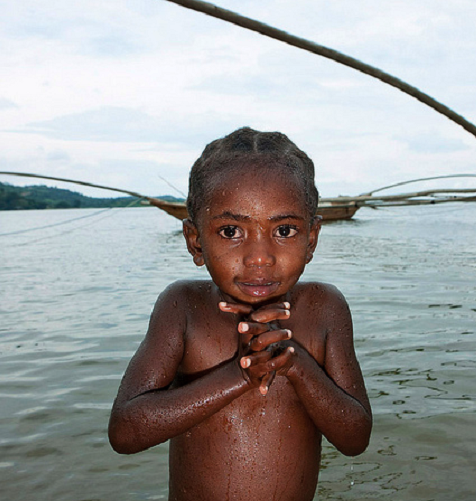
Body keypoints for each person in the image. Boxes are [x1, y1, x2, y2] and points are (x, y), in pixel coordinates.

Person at [108, 127, 372, 501]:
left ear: (311, 240)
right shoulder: (183, 307)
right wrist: (240, 374)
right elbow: (125, 432)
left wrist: (296, 366)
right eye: (231, 231)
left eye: (284, 230)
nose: (260, 256)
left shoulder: (324, 309)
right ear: (195, 241)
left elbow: (355, 437)